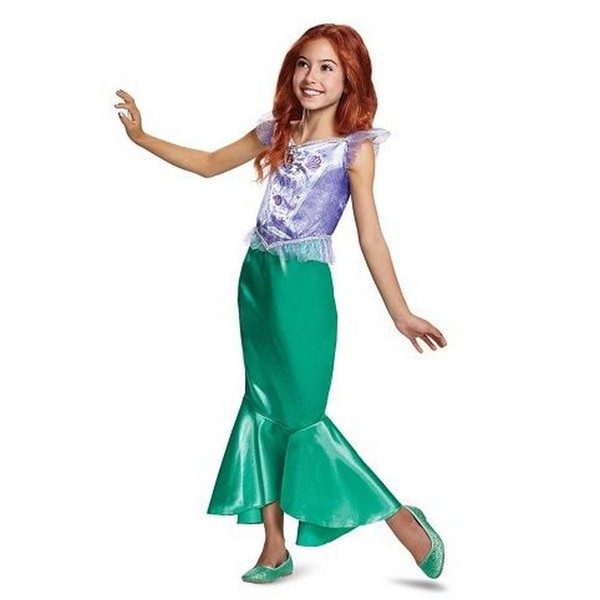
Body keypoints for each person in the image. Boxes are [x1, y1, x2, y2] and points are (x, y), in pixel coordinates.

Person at [115, 22, 447, 585]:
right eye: (303, 64)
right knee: (261, 407)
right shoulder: (277, 132)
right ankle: (274, 546)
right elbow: (208, 163)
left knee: (305, 419)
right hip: (258, 280)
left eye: (327, 67)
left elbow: (370, 235)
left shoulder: (355, 149)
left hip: (304, 290)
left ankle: (400, 519)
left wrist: (400, 312)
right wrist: (143, 138)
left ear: (350, 79)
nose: (311, 77)